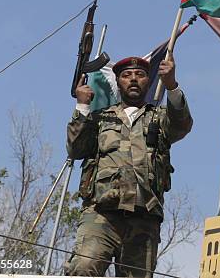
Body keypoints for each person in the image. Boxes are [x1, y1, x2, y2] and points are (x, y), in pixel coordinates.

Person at [64, 51, 193, 277]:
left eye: (140, 74)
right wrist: (82, 107)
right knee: (84, 267)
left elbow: (181, 125)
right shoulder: (100, 118)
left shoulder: (159, 118)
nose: (133, 79)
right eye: (127, 75)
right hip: (101, 213)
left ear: (149, 81)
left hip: (144, 216)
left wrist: (171, 85)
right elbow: (76, 149)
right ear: (118, 82)